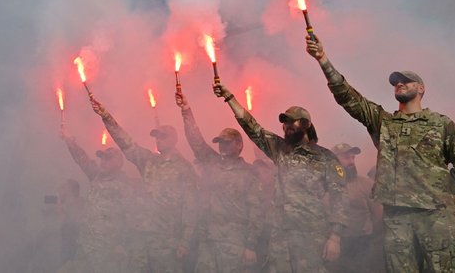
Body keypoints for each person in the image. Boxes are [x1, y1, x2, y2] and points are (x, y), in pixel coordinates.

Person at [306, 34, 455, 272]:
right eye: (396, 82)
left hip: (436, 216)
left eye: (406, 81)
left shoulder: (441, 124)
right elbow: (348, 97)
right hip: (397, 218)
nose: (399, 83)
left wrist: (441, 188)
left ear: (421, 88)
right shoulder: (384, 123)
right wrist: (323, 59)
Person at [213, 83, 348, 272]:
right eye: (285, 122)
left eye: (292, 121)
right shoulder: (280, 150)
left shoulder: (325, 158)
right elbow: (253, 128)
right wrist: (230, 98)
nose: (287, 126)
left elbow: (339, 197)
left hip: (311, 236)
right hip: (280, 238)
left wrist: (335, 237)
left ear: (306, 125)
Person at [90, 96, 197, 273]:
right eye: (156, 137)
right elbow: (126, 142)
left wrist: (185, 241)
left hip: (167, 239)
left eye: (163, 137)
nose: (158, 140)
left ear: (173, 140)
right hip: (142, 235)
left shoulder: (184, 168)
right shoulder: (148, 161)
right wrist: (106, 117)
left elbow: (191, 206)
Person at [175, 91, 266, 272]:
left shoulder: (249, 174)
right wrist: (186, 111)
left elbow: (256, 212)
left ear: (239, 145)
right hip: (208, 242)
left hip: (234, 244)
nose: (221, 146)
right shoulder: (212, 162)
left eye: (226, 142)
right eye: (220, 142)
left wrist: (250, 245)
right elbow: (196, 140)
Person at [58, 127, 132, 273]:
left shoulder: (124, 185)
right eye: (102, 158)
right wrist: (69, 141)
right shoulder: (96, 176)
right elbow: (82, 159)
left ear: (117, 162)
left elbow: (130, 216)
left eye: (107, 159)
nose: (102, 162)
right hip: (86, 245)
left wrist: (122, 243)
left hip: (107, 249)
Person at [329, 143, 384, 273]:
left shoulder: (366, 184)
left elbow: (378, 215)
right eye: (346, 158)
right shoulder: (325, 185)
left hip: (361, 245)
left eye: (353, 158)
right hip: (332, 245)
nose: (351, 162)